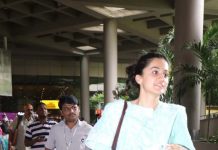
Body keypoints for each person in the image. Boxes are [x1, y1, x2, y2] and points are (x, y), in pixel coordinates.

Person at [85, 52, 195, 150]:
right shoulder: (116, 110)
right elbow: (96, 145)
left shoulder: (175, 113)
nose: (162, 79)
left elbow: (186, 146)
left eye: (165, 74)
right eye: (155, 72)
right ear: (139, 78)